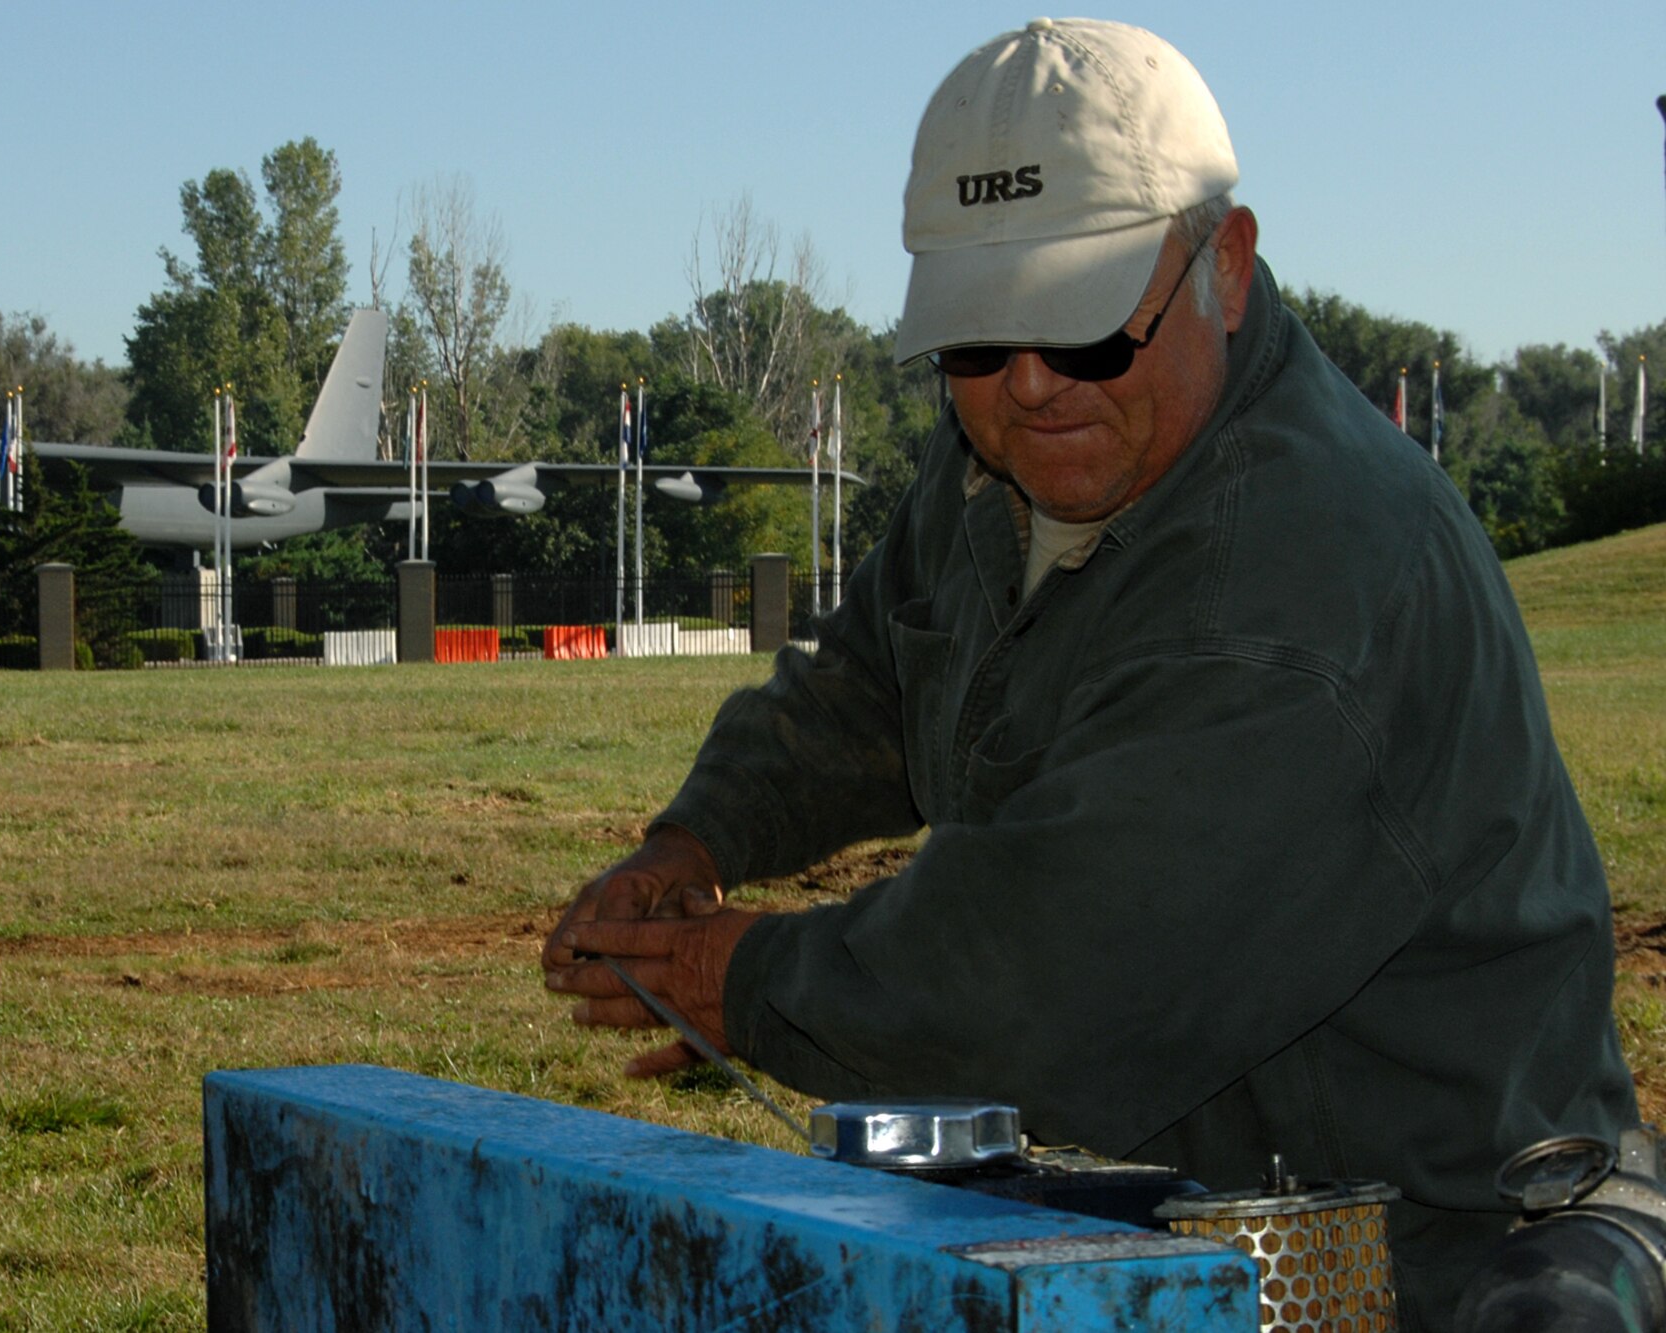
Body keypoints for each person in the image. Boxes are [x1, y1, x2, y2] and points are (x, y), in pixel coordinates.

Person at [541, 18, 1636, 1328]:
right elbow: (870, 676)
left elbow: (1046, 979)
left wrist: (746, 975)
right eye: (977, 346)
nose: (1032, 389)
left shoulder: (1303, 583)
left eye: (1086, 333)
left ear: (1222, 267)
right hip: (1171, 1211)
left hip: (1435, 1251)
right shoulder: (997, 464)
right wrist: (698, 833)